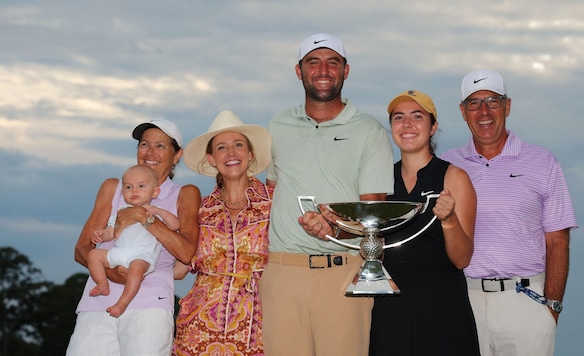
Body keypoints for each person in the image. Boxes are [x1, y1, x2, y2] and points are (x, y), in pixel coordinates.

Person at [260, 33, 394, 356]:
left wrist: (335, 231)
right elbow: (270, 190)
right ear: (299, 71)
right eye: (313, 62)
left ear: (345, 71)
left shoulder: (369, 130)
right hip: (282, 273)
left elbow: (374, 214)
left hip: (343, 272)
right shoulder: (277, 126)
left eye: (333, 62)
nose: (323, 70)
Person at [440, 69, 578, 356]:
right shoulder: (446, 165)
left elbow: (558, 241)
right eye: (474, 103)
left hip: (526, 303)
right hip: (462, 302)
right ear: (463, 112)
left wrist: (550, 309)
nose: (484, 111)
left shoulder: (543, 161)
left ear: (508, 105)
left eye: (493, 100)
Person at [66, 119, 201, 356]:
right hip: (99, 302)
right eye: (144, 144)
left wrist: (142, 217)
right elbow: (81, 249)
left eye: (160, 146)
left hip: (150, 303)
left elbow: (186, 252)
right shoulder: (113, 187)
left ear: (177, 154)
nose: (150, 152)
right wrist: (110, 274)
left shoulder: (184, 193)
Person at [369, 90, 480, 355]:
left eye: (417, 116)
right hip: (389, 312)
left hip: (442, 311)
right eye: (399, 117)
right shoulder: (379, 180)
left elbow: (462, 259)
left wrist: (449, 220)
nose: (407, 125)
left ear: (433, 127)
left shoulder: (454, 177)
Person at [172, 110, 273, 356]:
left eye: (238, 145)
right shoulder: (201, 209)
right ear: (211, 158)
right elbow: (181, 266)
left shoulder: (275, 202)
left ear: (250, 155)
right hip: (199, 327)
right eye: (221, 148)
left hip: (261, 323)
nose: (231, 153)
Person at [87, 164, 180, 317]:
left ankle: (123, 302)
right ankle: (102, 284)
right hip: (119, 252)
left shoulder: (154, 213)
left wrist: (160, 211)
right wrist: (100, 235)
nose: (134, 190)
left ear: (155, 192)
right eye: (128, 187)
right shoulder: (120, 213)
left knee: (135, 271)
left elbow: (175, 225)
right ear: (122, 192)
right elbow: (111, 232)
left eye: (141, 186)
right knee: (93, 255)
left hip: (142, 256)